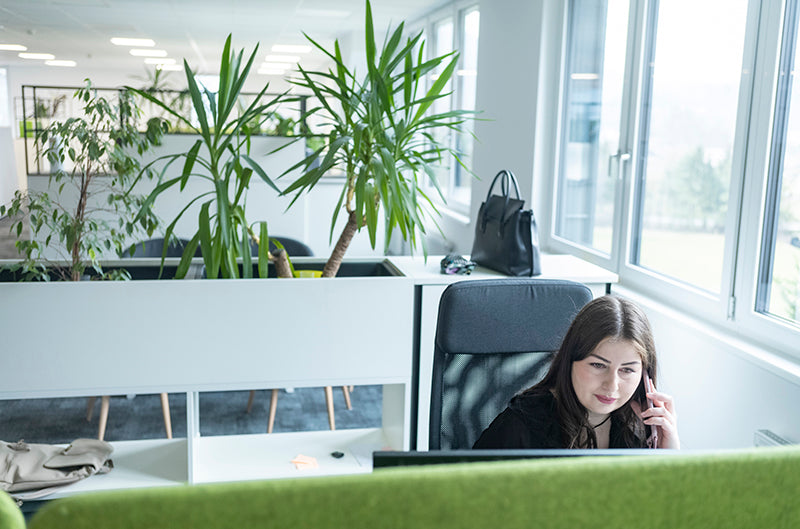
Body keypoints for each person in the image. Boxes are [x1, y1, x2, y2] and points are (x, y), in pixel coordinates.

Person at [473, 295, 680, 449]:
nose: (612, 385)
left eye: (627, 370)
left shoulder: (638, 429)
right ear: (569, 360)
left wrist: (668, 456)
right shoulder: (521, 426)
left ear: (644, 376)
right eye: (598, 365)